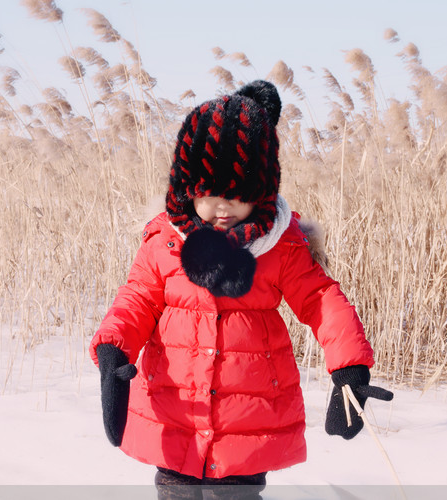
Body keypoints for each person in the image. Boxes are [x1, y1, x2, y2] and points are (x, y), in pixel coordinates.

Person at [90, 80, 392, 499]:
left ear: (261, 192)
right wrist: (112, 349)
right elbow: (136, 299)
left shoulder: (280, 245)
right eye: (209, 194)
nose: (222, 207)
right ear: (188, 187)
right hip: (176, 413)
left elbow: (320, 298)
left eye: (238, 195)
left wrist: (349, 367)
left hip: (246, 424)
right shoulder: (165, 240)